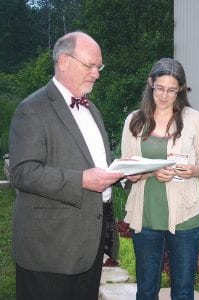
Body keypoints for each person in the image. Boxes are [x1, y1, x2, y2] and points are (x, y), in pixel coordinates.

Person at [9, 31, 124, 300]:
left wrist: (125, 173)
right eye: (90, 66)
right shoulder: (32, 109)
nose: (96, 74)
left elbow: (96, 163)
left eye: (99, 67)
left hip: (89, 242)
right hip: (50, 248)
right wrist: (81, 180)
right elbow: (22, 172)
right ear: (63, 61)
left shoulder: (92, 109)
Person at [121, 58, 199, 300]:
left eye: (171, 90)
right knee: (147, 289)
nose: (164, 95)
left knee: (183, 291)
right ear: (150, 83)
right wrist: (152, 173)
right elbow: (127, 170)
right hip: (146, 216)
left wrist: (194, 170)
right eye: (159, 88)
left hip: (185, 216)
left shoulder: (194, 119)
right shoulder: (134, 120)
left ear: (181, 89)